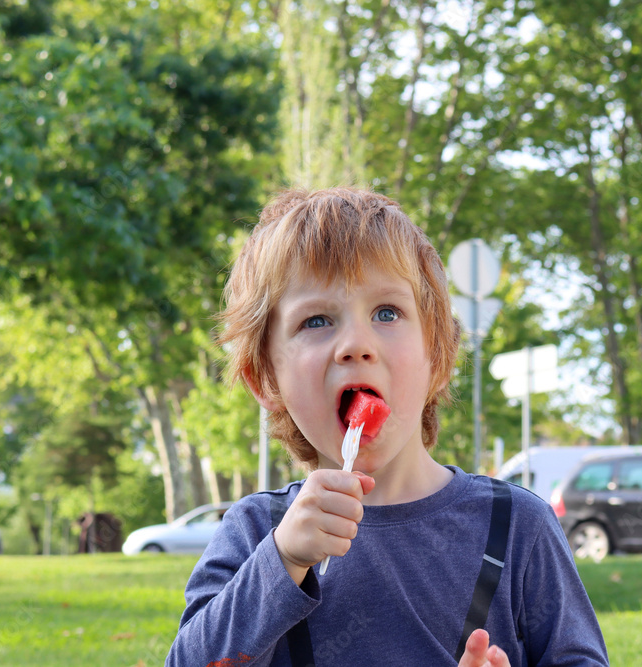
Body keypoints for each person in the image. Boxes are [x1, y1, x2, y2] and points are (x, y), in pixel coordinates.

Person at [166, 187, 609, 666]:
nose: (356, 344)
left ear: (437, 357)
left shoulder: (518, 525)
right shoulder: (257, 531)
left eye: (387, 313)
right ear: (265, 380)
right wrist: (283, 562)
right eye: (316, 320)